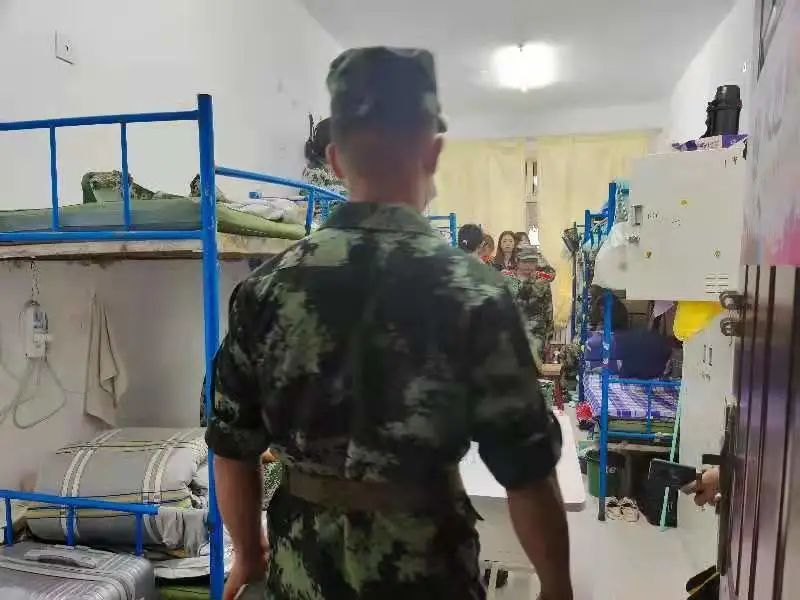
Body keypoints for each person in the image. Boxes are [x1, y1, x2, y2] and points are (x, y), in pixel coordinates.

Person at [207, 46, 572, 600]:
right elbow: (527, 471)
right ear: (432, 151)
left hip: (305, 576)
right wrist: (556, 585)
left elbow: (230, 445)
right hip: (429, 575)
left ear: (334, 160)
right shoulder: (475, 292)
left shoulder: (265, 289)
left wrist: (250, 554)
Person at [511, 245, 556, 370]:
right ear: (517, 261)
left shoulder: (542, 282)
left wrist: (549, 338)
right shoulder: (508, 280)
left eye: (532, 262)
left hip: (536, 333)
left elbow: (548, 309)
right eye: (525, 261)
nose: (528, 265)